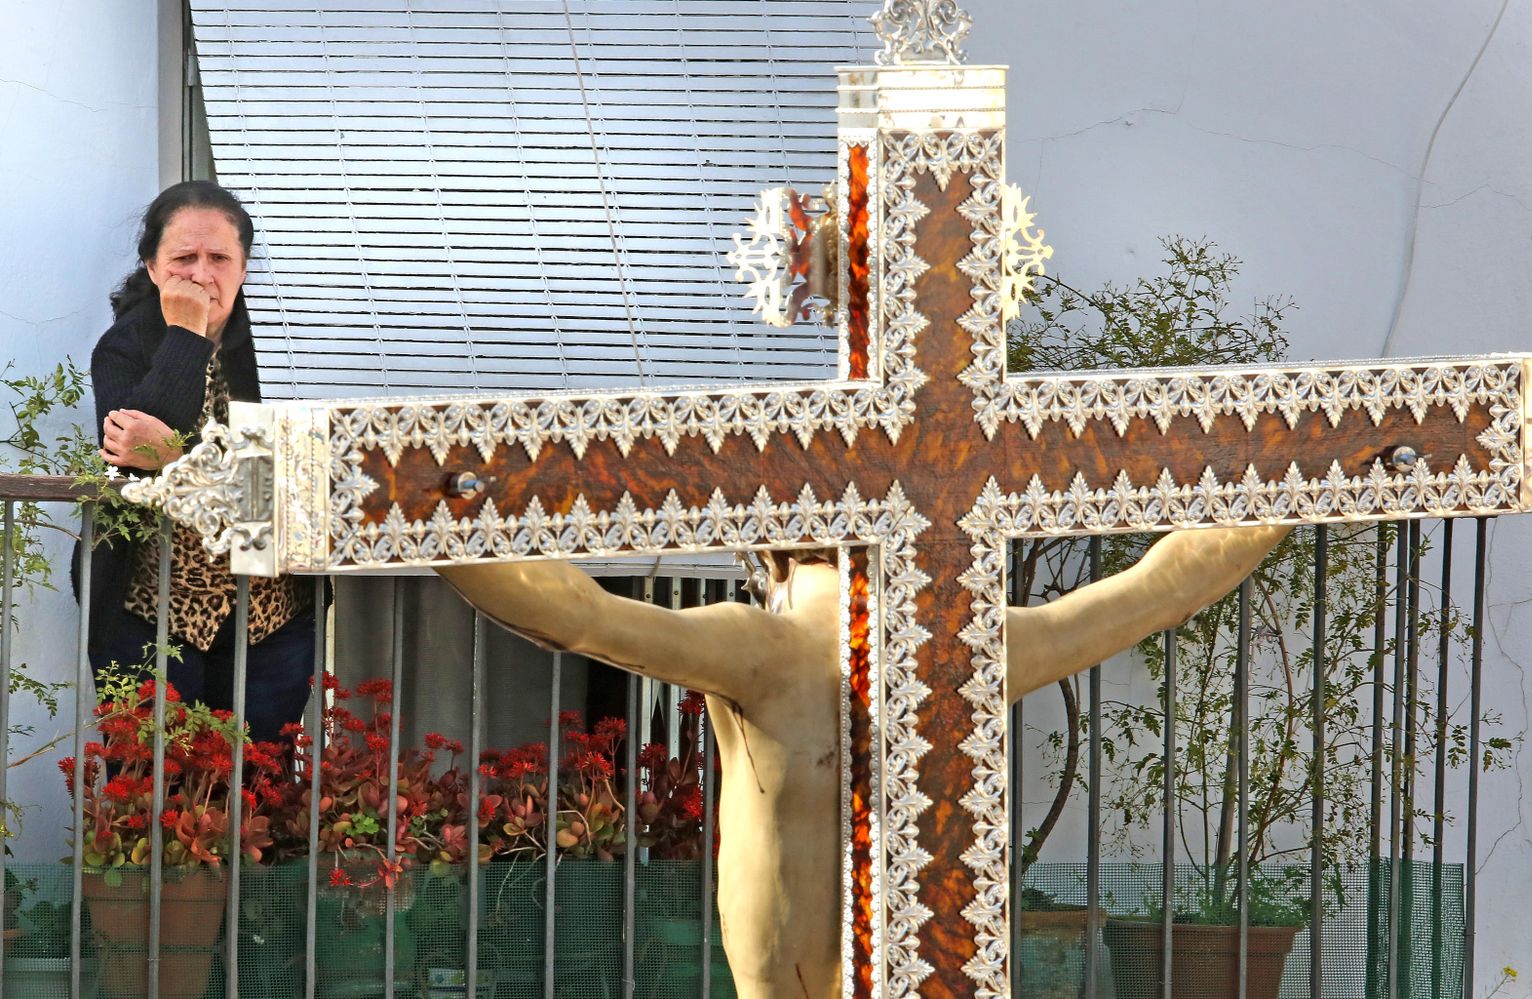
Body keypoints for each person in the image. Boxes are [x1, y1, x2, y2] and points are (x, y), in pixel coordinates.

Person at [438, 524, 1289, 997]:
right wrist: (1283, 481)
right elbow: (1158, 589)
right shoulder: (962, 645)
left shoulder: (757, 645)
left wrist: (424, 510)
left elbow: (576, 614)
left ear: (769, 552)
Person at [77, 180, 315, 740]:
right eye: (184, 259)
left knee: (261, 789)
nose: (202, 275)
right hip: (147, 614)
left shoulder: (279, 348)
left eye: (219, 259)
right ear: (153, 268)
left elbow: (293, 473)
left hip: (270, 616)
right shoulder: (124, 346)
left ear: (244, 267)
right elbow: (134, 465)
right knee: (151, 785)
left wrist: (177, 458)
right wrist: (186, 337)